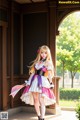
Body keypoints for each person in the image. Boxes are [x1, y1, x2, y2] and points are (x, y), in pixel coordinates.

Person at [20, 45, 56, 120]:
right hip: (34, 81)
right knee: (35, 99)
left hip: (42, 82)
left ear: (48, 54)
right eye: (42, 52)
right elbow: (33, 73)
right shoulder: (37, 62)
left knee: (41, 100)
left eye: (45, 53)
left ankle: (42, 117)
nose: (43, 54)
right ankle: (39, 116)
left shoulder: (48, 63)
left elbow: (49, 74)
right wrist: (28, 82)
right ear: (39, 53)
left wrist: (51, 83)